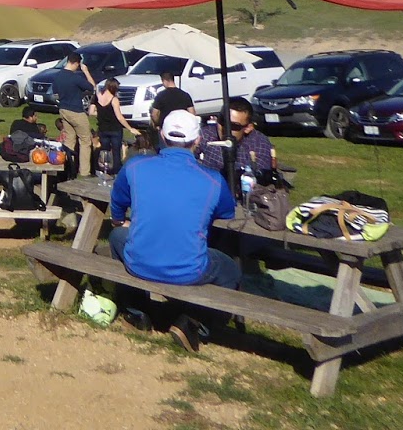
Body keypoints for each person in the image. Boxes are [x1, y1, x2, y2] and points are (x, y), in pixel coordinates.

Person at [108, 109, 240, 352]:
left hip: (139, 262)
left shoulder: (136, 166)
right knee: (231, 269)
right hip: (189, 269)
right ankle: (196, 322)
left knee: (116, 236)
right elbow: (227, 214)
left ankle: (137, 311)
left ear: (161, 135)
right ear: (198, 140)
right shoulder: (212, 180)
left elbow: (117, 203)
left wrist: (119, 221)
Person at [198, 97, 275, 178]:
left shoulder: (259, 144)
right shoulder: (206, 134)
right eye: (222, 121)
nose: (225, 129)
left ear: (248, 128)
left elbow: (260, 177)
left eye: (233, 125)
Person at [49, 52, 97, 178]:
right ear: (76, 63)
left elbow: (56, 93)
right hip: (76, 111)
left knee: (69, 140)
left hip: (63, 110)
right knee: (85, 140)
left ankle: (68, 167)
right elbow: (92, 87)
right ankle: (85, 171)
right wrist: (86, 71)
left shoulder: (58, 76)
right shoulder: (75, 77)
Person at [93, 78, 137, 173]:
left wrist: (100, 114)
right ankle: (116, 171)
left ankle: (103, 168)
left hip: (103, 128)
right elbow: (119, 117)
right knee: (116, 152)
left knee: (105, 151)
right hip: (115, 129)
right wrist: (130, 128)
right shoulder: (114, 99)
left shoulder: (97, 96)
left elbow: (91, 111)